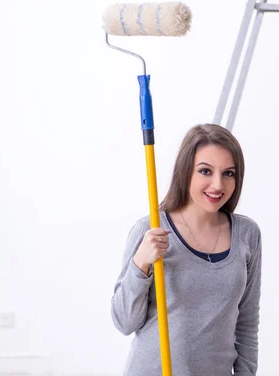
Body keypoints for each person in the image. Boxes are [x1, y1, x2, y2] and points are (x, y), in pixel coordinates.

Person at [112, 123, 262, 376]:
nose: (217, 185)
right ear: (186, 172)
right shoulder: (150, 229)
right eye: (205, 171)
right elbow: (124, 322)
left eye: (228, 173)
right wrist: (141, 264)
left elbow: (246, 324)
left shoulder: (247, 234)